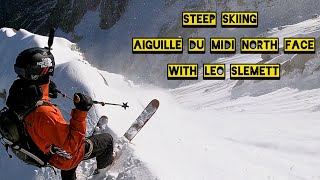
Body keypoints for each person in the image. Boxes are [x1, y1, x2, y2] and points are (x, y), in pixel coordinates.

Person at [6, 47, 114, 179]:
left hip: (45, 150)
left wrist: (45, 90)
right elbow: (71, 146)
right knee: (107, 140)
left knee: (64, 155)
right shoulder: (44, 114)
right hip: (63, 156)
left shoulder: (19, 97)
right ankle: (103, 173)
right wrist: (81, 112)